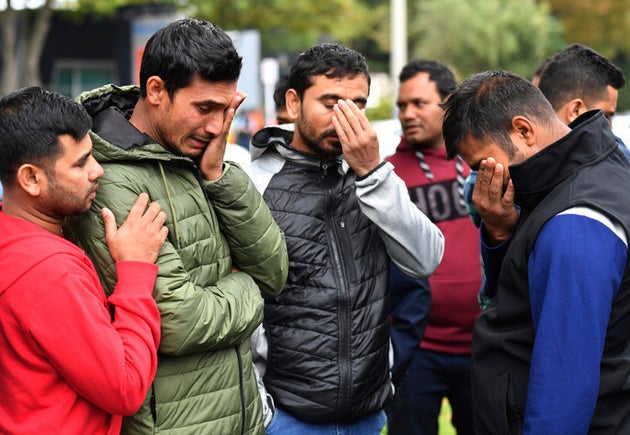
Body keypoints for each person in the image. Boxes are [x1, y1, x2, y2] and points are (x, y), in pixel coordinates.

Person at [64, 18, 289, 434]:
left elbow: (275, 273)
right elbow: (179, 323)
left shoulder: (202, 159)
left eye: (226, 109)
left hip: (240, 417)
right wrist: (248, 286)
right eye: (204, 108)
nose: (216, 127)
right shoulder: (111, 180)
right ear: (155, 91)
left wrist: (219, 175)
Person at [248, 43, 445, 434]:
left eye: (358, 104)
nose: (345, 118)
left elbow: (426, 260)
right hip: (287, 416)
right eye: (330, 101)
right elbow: (245, 307)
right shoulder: (255, 184)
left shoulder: (374, 178)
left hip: (368, 414)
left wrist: (372, 173)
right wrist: (263, 413)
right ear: (293, 103)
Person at [443, 70, 630, 434]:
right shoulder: (586, 172)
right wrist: (499, 234)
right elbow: (520, 299)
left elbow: (564, 386)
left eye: (483, 164)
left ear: (524, 130)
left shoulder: (575, 223)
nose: (483, 179)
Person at [0, 87, 168, 433]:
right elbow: (125, 386)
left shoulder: (12, 238)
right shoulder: (48, 272)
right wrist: (136, 270)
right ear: (31, 178)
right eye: (80, 163)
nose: (98, 171)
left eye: (92, 155)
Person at [385, 59, 481, 435]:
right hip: (415, 348)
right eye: (402, 105)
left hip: (481, 342)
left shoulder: (481, 163)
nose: (408, 114)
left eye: (419, 103)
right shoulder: (387, 177)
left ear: (449, 103)